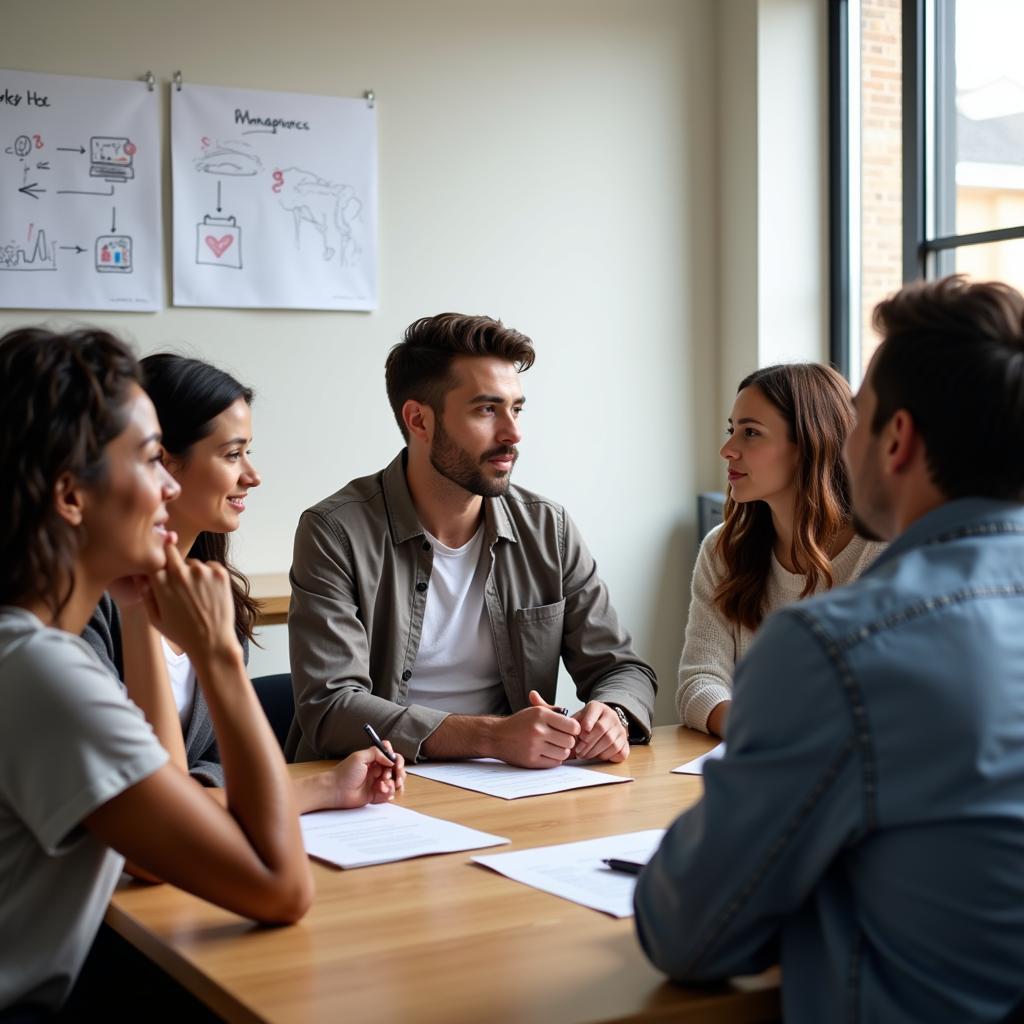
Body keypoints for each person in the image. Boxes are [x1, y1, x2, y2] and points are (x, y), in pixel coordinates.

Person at [634, 276, 1024, 1022]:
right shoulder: (743, 558)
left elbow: (685, 933)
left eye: (859, 421)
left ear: (897, 440)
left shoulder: (841, 649)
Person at [0, 327, 312, 1014]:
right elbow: (282, 888)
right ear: (71, 497)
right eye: (149, 460)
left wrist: (142, 603)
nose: (170, 485)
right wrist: (219, 658)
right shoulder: (42, 672)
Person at [287, 312, 657, 767]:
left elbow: (622, 668)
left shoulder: (548, 529)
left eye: (516, 408)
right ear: (419, 421)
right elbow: (330, 708)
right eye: (487, 409)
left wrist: (614, 715)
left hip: (511, 789)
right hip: (370, 789)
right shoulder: (335, 532)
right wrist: (492, 736)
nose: (513, 433)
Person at [83, 353, 405, 813]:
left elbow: (216, 768)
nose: (252, 477)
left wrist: (324, 787)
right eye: (233, 454)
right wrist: (310, 790)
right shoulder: (88, 609)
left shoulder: (217, 602)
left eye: (247, 452)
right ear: (163, 463)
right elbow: (149, 804)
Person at [677, 364, 884, 736]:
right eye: (732, 430)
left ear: (809, 445)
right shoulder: (723, 550)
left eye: (751, 433)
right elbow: (698, 683)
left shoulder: (883, 554)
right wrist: (762, 731)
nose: (727, 450)